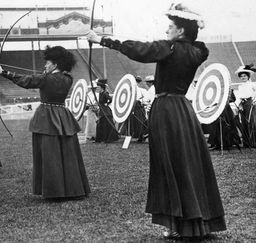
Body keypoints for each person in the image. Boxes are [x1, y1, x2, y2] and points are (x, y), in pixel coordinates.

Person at [88, 2, 226, 239]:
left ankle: (178, 225)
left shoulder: (169, 48)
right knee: (188, 163)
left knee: (169, 164)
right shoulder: (197, 51)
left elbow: (140, 50)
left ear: (180, 31)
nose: (166, 31)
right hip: (184, 109)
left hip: (166, 110)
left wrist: (102, 39)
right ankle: (197, 222)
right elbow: (197, 45)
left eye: (171, 27)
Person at [0, 45, 90, 200]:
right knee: (67, 152)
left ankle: (55, 191)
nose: (45, 65)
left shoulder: (45, 78)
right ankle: (73, 188)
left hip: (47, 117)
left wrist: (3, 72)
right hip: (63, 115)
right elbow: (38, 79)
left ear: (55, 64)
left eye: (48, 62)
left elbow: (26, 81)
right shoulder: (68, 79)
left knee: (50, 154)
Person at [233, 64, 256, 148]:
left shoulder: (252, 84)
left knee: (251, 122)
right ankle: (247, 143)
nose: (243, 77)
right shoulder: (240, 86)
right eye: (241, 76)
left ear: (248, 76)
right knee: (244, 122)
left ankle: (253, 142)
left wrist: (254, 100)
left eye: (245, 76)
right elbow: (239, 97)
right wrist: (237, 105)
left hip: (250, 104)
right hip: (243, 105)